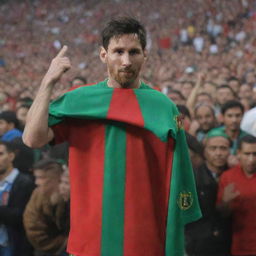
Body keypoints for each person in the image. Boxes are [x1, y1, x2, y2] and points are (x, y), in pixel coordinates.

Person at [23, 17, 201, 256]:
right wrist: (48, 82)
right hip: (90, 239)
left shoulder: (163, 107)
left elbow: (179, 176)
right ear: (103, 55)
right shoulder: (79, 100)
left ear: (144, 55)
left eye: (134, 52)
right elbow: (33, 139)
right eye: (118, 51)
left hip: (146, 239)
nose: (126, 61)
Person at [186, 130, 232, 256]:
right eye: (213, 148)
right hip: (199, 245)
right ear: (204, 151)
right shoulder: (192, 178)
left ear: (230, 152)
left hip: (228, 244)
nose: (218, 153)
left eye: (223, 148)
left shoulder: (235, 176)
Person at [217, 135, 256, 256]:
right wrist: (225, 202)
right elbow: (221, 214)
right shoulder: (228, 177)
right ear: (238, 153)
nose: (251, 159)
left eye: (255, 154)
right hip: (240, 246)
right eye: (247, 154)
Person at [23, 158, 68, 256]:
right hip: (44, 249)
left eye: (41, 178)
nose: (36, 182)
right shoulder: (37, 195)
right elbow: (32, 225)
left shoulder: (69, 197)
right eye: (36, 177)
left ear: (56, 178)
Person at [0, 140, 34, 256]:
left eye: (0, 154)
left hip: (15, 245)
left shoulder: (25, 183)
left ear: (11, 156)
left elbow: (23, 216)